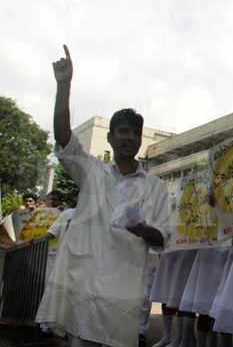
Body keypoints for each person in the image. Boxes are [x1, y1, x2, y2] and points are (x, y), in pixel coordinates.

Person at [35, 45, 172, 347]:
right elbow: (64, 139)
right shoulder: (92, 172)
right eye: (123, 131)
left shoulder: (155, 187)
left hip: (120, 294)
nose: (130, 138)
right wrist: (64, 86)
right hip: (83, 287)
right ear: (110, 138)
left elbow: (163, 237)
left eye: (136, 133)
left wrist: (145, 230)